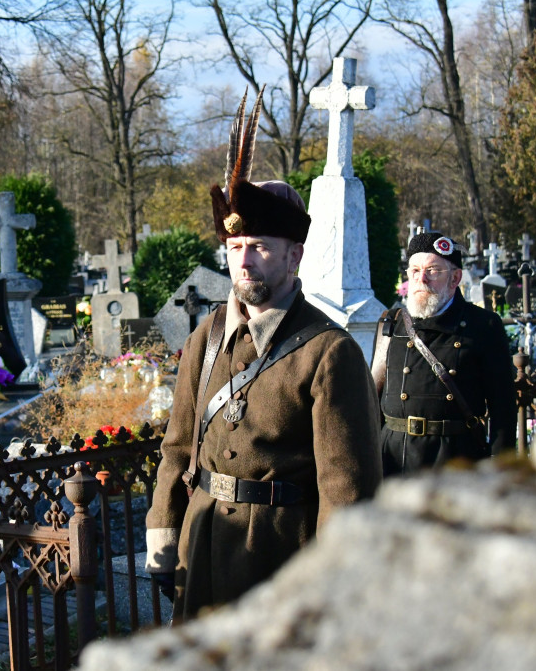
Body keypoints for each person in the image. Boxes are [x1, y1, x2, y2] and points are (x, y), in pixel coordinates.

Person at [144, 91, 382, 622]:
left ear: (294, 255)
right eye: (234, 248)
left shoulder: (329, 352)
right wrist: (163, 542)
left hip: (283, 560)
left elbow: (346, 486)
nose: (244, 262)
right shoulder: (206, 337)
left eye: (259, 247)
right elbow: (178, 447)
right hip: (200, 547)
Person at [373, 232, 517, 475]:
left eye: (433, 270)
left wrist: (500, 469)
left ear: (455, 278)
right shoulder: (391, 323)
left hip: (454, 460)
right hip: (393, 459)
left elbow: (503, 407)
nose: (422, 279)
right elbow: (372, 395)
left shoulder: (482, 325)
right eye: (415, 270)